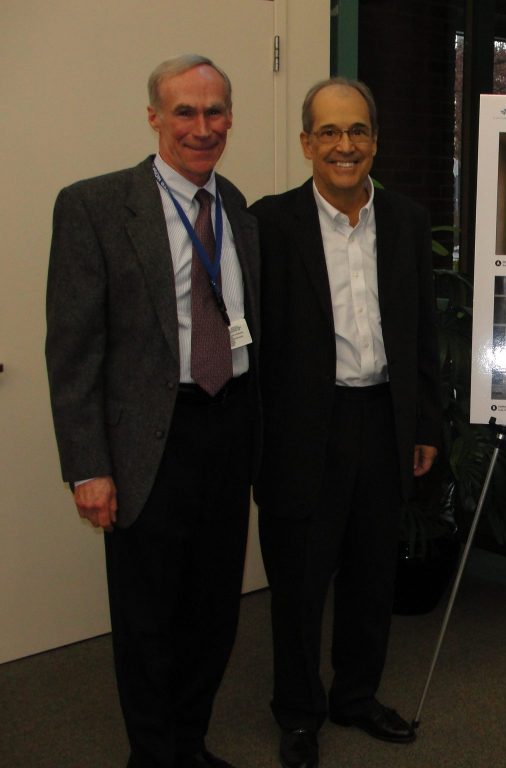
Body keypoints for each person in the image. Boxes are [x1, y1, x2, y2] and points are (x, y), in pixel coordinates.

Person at [45, 55, 259, 768]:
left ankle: (188, 745)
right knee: (148, 617)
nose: (203, 128)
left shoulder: (237, 207)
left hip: (227, 426)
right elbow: (73, 352)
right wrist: (88, 468)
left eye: (215, 111)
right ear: (155, 117)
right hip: (147, 438)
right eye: (186, 113)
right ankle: (154, 756)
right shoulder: (95, 206)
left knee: (214, 610)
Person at [251, 77, 442, 768]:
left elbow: (421, 334)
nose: (344, 145)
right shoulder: (269, 225)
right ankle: (299, 713)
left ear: (375, 143)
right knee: (300, 585)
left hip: (382, 419)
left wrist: (424, 425)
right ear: (306, 143)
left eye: (357, 131)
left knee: (370, 579)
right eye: (329, 132)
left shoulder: (406, 222)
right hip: (305, 428)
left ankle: (355, 699)